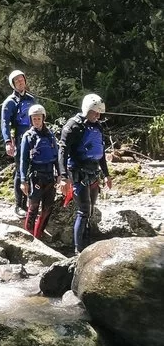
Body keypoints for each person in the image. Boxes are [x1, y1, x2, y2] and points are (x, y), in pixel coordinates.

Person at [58, 93, 112, 253]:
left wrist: (107, 174)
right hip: (78, 173)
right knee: (83, 210)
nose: (98, 115)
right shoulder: (73, 125)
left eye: (99, 113)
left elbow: (100, 152)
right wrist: (63, 177)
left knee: (91, 209)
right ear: (87, 109)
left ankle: (88, 244)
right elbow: (63, 151)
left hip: (94, 173)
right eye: (95, 112)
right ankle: (78, 250)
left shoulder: (98, 126)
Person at [19, 104, 62, 238]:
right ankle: (29, 234)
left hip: (50, 176)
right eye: (34, 119)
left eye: (38, 118)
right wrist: (23, 180)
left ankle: (39, 234)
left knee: (48, 208)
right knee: (33, 207)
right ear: (31, 120)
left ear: (43, 118)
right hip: (36, 177)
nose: (36, 121)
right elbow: (24, 160)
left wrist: (60, 174)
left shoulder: (50, 136)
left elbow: (57, 157)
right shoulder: (28, 136)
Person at [0, 70, 38, 217]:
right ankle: (19, 205)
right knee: (20, 170)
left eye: (22, 80)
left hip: (33, 136)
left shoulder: (31, 99)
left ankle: (31, 201)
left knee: (34, 168)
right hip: (20, 137)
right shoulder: (10, 102)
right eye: (17, 81)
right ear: (13, 85)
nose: (21, 83)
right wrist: (8, 141)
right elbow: (5, 123)